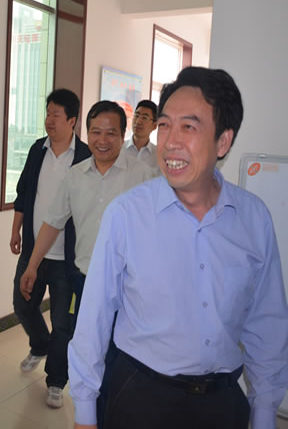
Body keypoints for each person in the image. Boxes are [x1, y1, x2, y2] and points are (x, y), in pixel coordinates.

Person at [69, 67, 288, 429]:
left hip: (222, 404)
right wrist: (84, 412)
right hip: (140, 396)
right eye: (165, 125)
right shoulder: (127, 214)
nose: (170, 141)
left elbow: (267, 324)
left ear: (223, 142)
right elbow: (94, 318)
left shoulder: (253, 219)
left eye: (189, 126)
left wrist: (264, 414)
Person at [19, 100, 154, 408]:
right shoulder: (75, 175)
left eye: (111, 133)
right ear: (87, 132)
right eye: (96, 132)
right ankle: (89, 412)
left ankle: (115, 409)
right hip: (86, 283)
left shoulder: (144, 177)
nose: (102, 140)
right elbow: (52, 223)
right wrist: (32, 265)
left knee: (122, 357)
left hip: (129, 287)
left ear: (123, 135)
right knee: (88, 352)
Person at [10, 89, 92, 409]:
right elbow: (23, 193)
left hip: (66, 259)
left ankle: (56, 380)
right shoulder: (37, 150)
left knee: (63, 324)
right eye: (48, 113)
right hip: (34, 250)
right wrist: (16, 230)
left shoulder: (84, 157)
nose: (49, 120)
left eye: (56, 115)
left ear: (72, 120)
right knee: (22, 304)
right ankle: (39, 344)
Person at [123, 99, 158, 168]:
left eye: (144, 118)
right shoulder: (119, 149)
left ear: (154, 126)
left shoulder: (158, 155)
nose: (138, 121)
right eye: (136, 116)